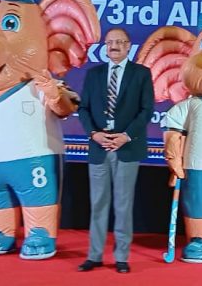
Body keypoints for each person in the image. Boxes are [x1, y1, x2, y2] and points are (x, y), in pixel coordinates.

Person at [77, 28, 154, 274]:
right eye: (110, 42)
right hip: (99, 146)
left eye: (120, 42)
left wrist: (125, 136)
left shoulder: (141, 74)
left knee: (123, 204)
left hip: (127, 147)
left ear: (129, 45)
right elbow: (83, 109)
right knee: (98, 204)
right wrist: (94, 134)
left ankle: (121, 257)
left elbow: (146, 110)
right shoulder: (94, 74)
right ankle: (94, 256)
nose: (114, 46)